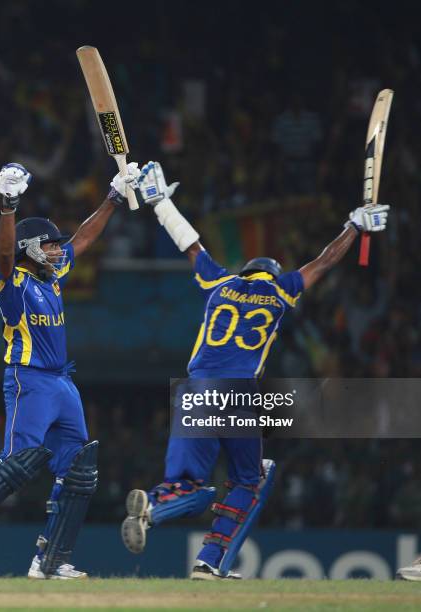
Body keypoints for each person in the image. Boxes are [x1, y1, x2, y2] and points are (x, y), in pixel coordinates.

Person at [122, 161, 389, 580]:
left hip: (195, 389)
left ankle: (156, 506)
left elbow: (191, 245)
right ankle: (210, 562)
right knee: (252, 478)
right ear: (272, 275)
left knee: (189, 484)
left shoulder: (219, 284)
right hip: (239, 393)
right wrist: (355, 226)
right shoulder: (280, 291)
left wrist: (160, 202)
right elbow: (323, 261)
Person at [0, 161, 139, 579]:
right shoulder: (13, 283)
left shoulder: (52, 277)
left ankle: (52, 561)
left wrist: (113, 198)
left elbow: (85, 238)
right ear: (31, 248)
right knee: (18, 460)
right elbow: (3, 253)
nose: (60, 250)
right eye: (51, 245)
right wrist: (8, 205)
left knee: (79, 468)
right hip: (29, 380)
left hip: (62, 382)